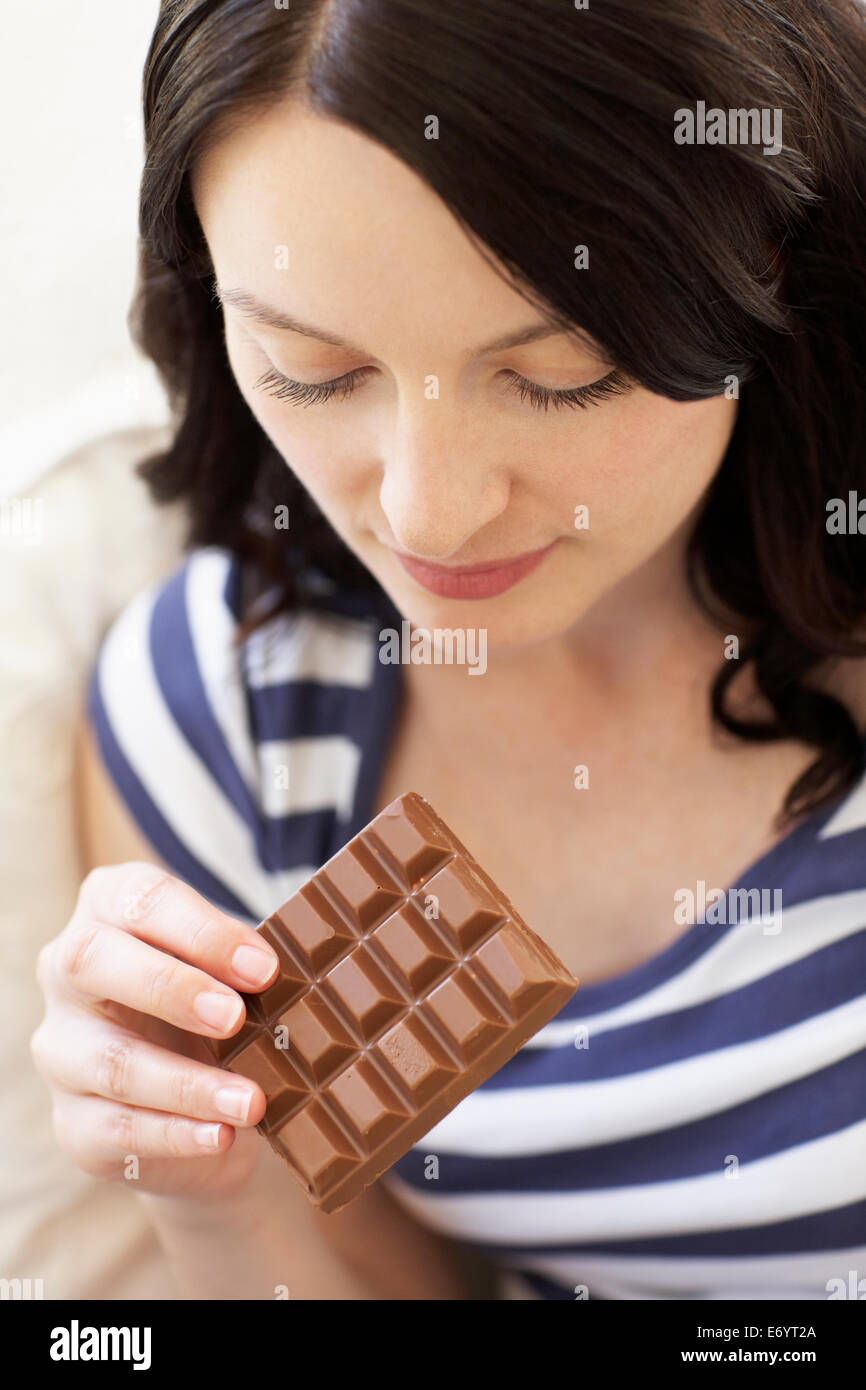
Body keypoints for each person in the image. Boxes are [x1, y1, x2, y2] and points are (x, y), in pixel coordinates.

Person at [32, 0, 866, 1299]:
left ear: (771, 257)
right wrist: (213, 1188)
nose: (428, 513)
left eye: (562, 374)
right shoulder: (216, 732)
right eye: (311, 369)